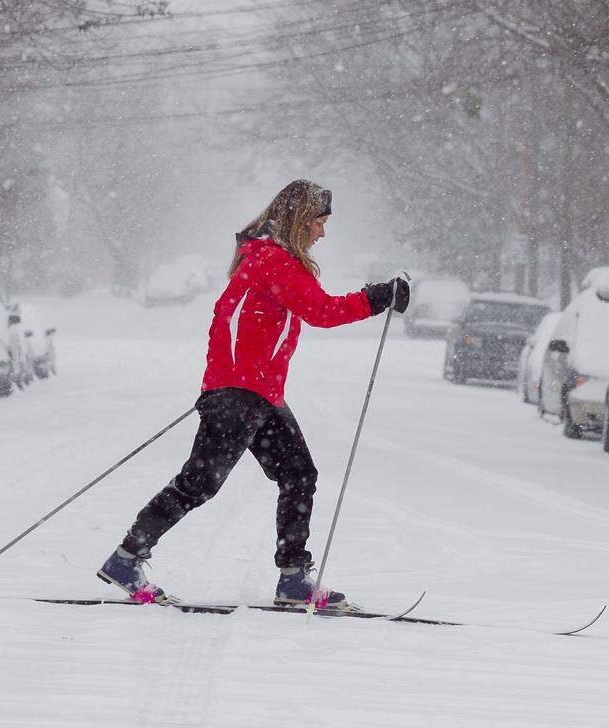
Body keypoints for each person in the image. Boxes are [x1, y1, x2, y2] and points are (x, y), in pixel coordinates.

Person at [97, 179, 410, 610]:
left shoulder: (266, 258)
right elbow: (321, 312)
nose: (323, 233)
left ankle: (293, 579)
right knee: (200, 482)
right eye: (320, 223)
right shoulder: (274, 261)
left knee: (299, 474)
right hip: (241, 392)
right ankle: (126, 559)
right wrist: (378, 299)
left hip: (255, 392)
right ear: (302, 220)